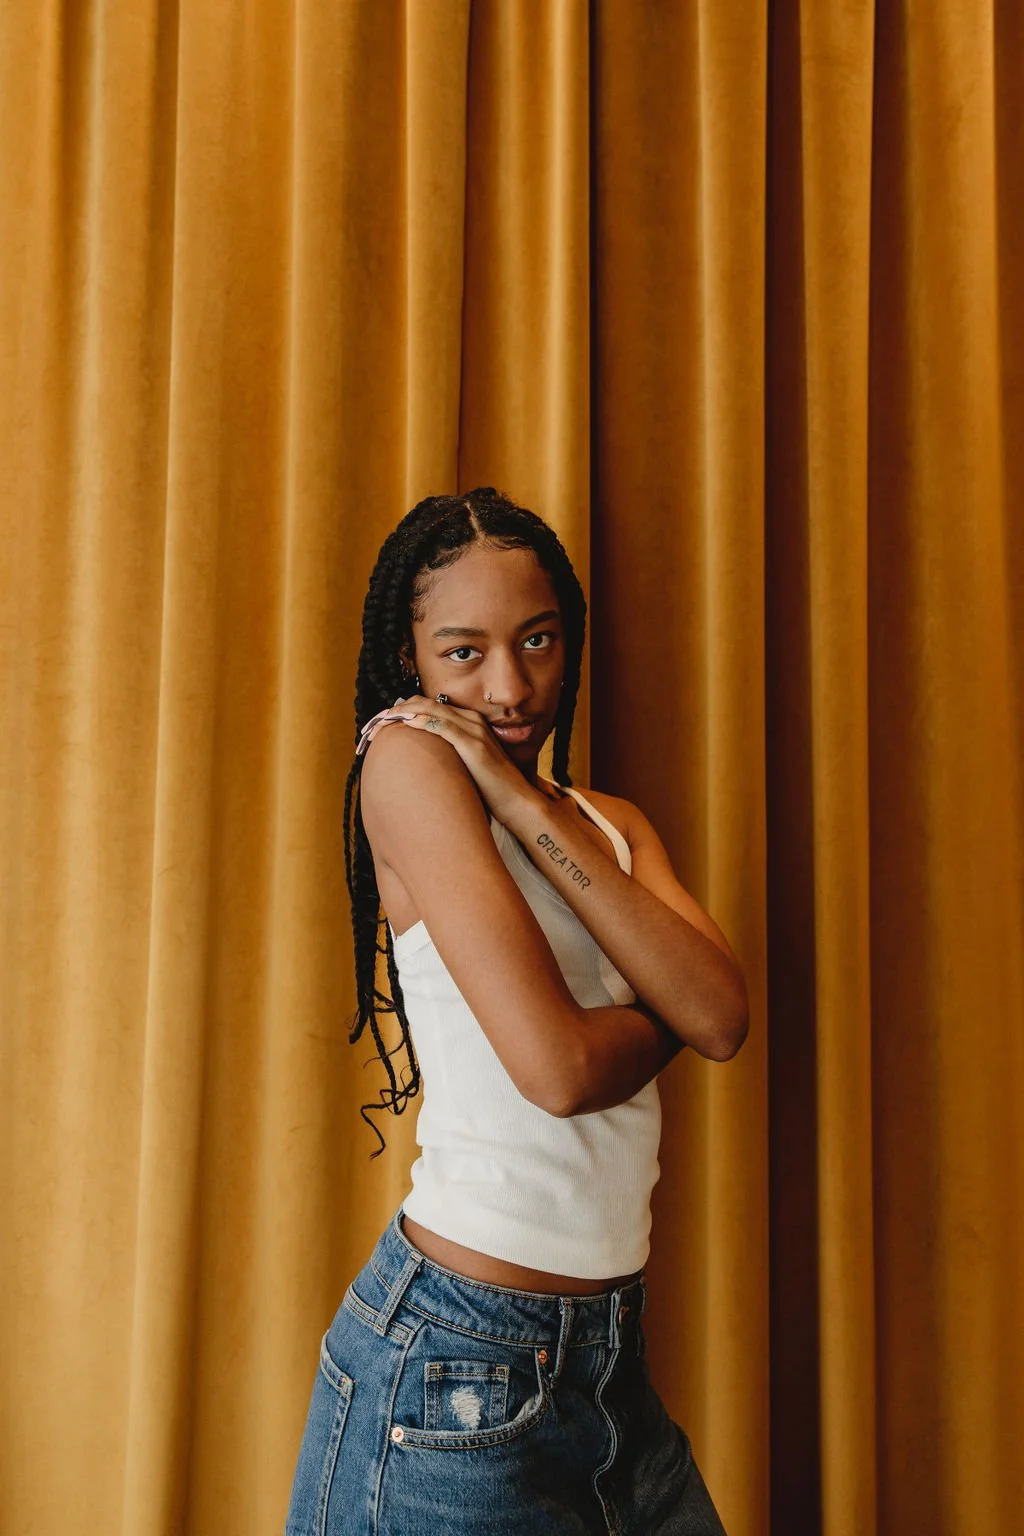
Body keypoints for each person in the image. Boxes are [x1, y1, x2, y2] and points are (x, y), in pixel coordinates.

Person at [284, 488, 748, 1535]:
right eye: (464, 653)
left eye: (537, 640)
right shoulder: (406, 766)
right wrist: (669, 1007)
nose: (508, 685)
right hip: (457, 1362)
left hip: (607, 1362)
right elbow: (562, 1072)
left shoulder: (609, 823)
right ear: (409, 661)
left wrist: (526, 798)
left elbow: (723, 1019)